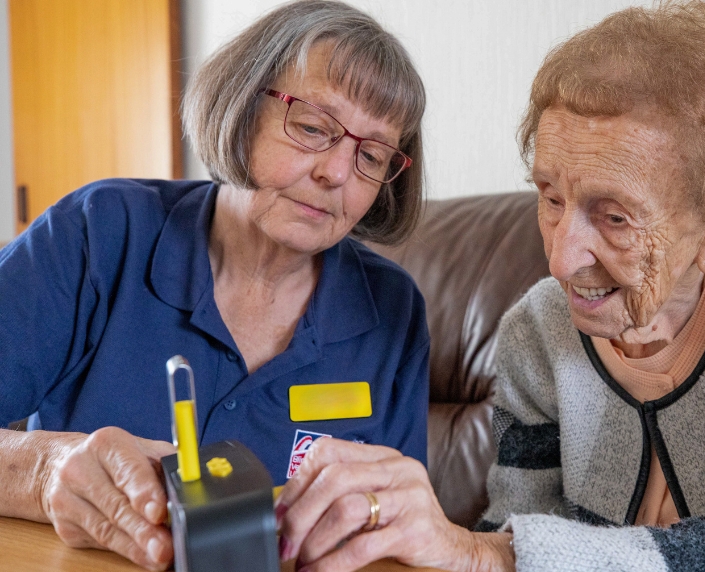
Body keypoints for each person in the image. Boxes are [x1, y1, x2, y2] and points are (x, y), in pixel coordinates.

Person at [275, 1, 705, 571]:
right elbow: (520, 522)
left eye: (614, 217)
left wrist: (489, 555)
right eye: (551, 198)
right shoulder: (539, 328)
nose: (562, 260)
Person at [0, 1, 428, 570]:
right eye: (311, 127)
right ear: (242, 105)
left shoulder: (392, 311)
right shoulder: (98, 232)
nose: (337, 174)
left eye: (371, 155)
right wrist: (42, 469)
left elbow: (393, 531)